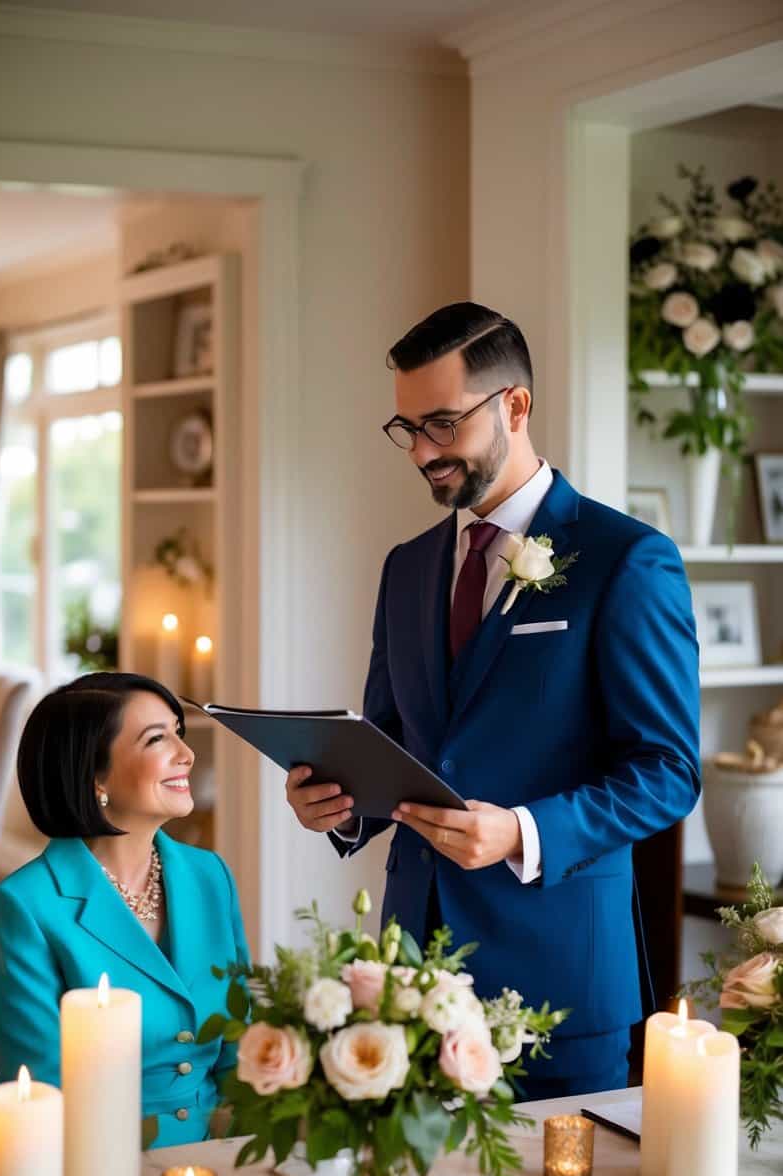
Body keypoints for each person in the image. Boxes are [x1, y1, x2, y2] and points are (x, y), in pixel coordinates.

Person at [286, 302, 700, 1098]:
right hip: (411, 978)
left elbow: (667, 771)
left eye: (443, 424)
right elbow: (397, 741)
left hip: (560, 985)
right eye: (407, 430)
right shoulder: (406, 568)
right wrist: (343, 806)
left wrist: (520, 832)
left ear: (515, 404)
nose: (423, 454)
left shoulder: (626, 561)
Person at [0, 672, 248, 1147]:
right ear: (95, 775)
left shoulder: (211, 877)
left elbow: (243, 1057)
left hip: (223, 1159)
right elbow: (44, 1098)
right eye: (157, 739)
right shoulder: (21, 908)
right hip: (105, 1170)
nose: (186, 754)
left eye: (178, 734)